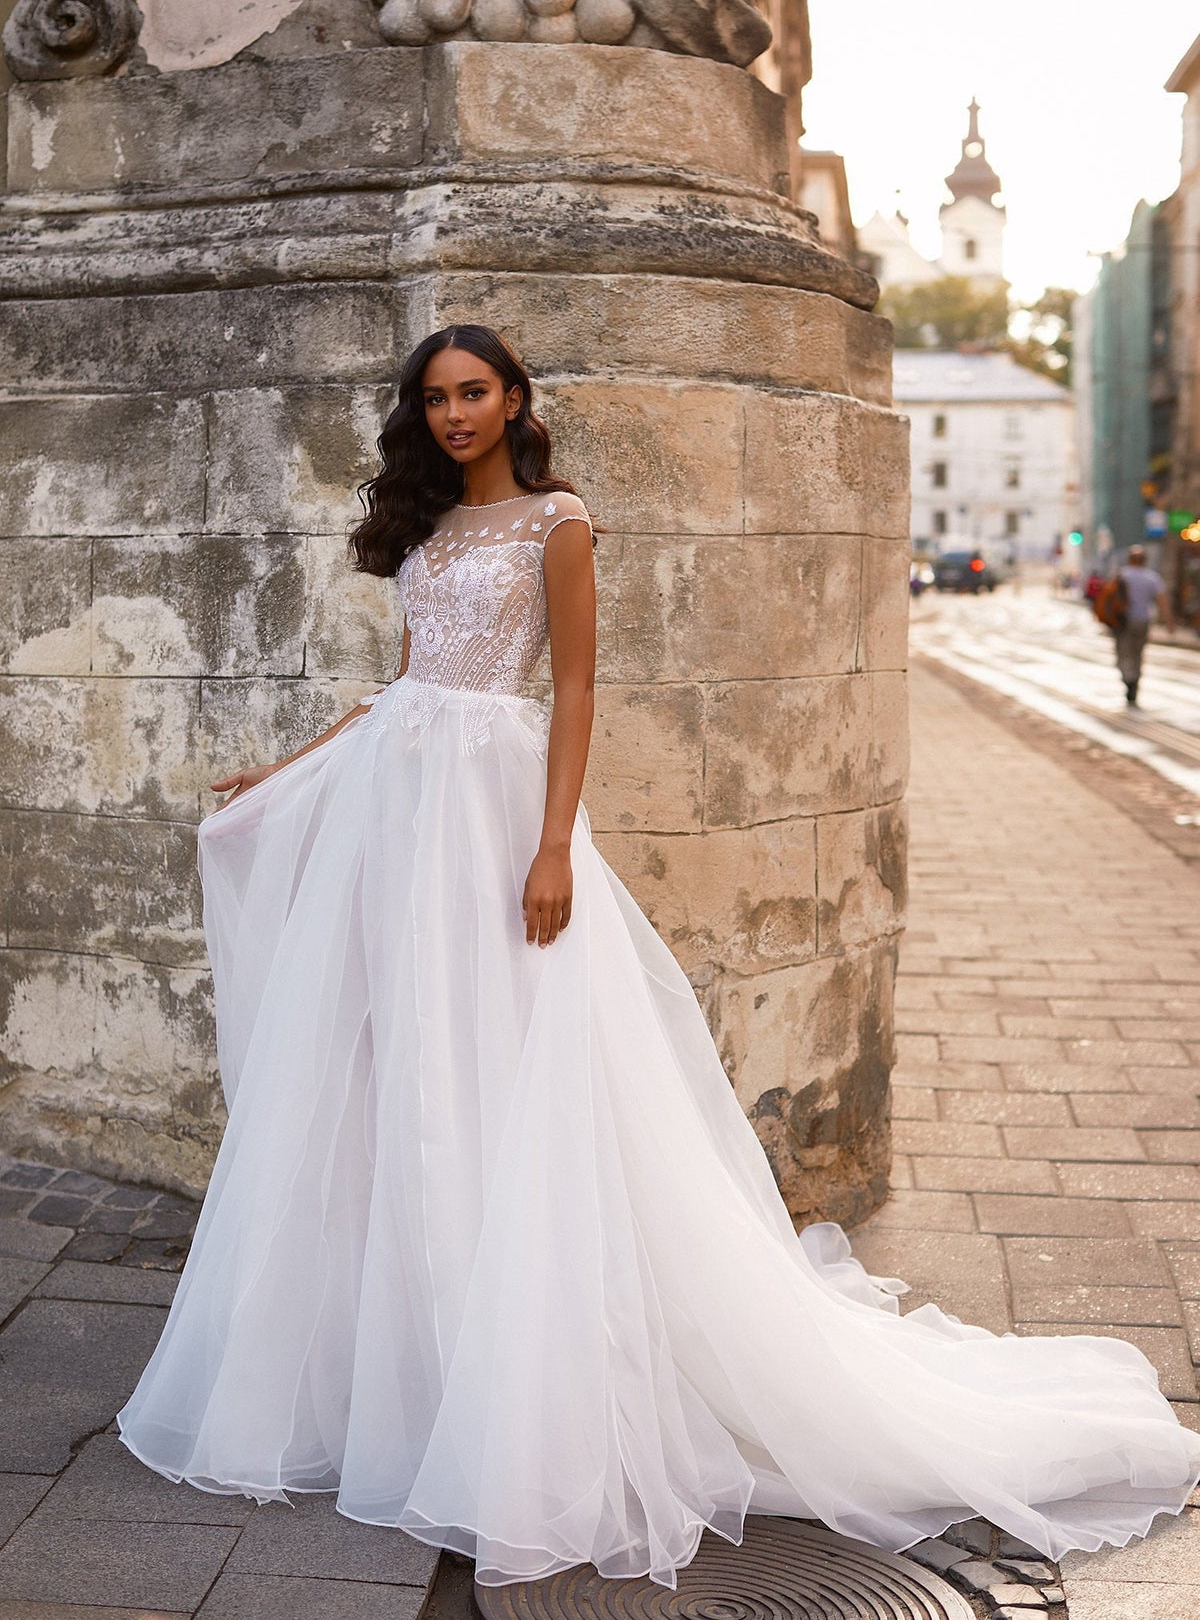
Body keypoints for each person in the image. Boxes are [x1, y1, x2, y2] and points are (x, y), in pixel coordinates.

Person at [117, 326, 1200, 1589]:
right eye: (436, 397)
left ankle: (530, 1376)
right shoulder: (422, 527)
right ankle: (414, 1359)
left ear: (515, 400)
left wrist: (553, 845)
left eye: (475, 393)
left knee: (511, 1059)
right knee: (404, 1054)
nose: (456, 413)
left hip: (494, 814)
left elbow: (573, 689)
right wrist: (288, 767)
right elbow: (402, 684)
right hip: (398, 808)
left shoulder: (557, 521)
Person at [1114, 544, 1174, 705]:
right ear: (1145, 560)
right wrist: (1169, 623)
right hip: (1143, 621)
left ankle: (1128, 678)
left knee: (1123, 652)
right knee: (1138, 653)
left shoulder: (1122, 575)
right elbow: (1162, 601)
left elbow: (1109, 598)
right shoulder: (1152, 577)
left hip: (1123, 622)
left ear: (1129, 559)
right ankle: (1134, 681)